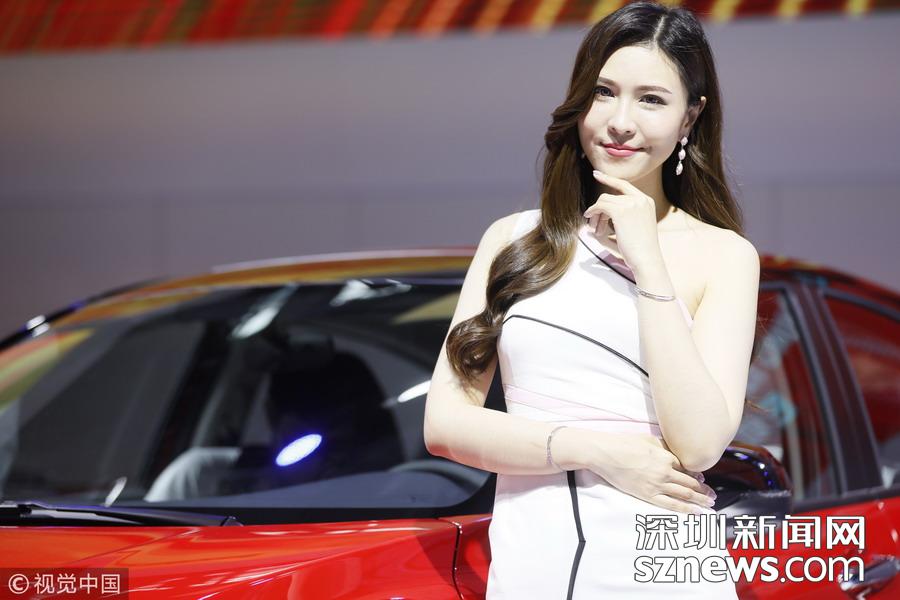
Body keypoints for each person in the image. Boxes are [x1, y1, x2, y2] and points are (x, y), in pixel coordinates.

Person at [424, 1, 758, 598]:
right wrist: (597, 451)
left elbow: (700, 442)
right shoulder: (512, 240)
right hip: (532, 568)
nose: (619, 121)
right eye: (604, 93)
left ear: (690, 116)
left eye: (651, 99)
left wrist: (647, 259)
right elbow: (445, 424)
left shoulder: (724, 255)